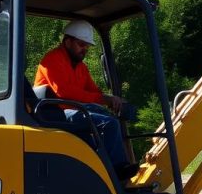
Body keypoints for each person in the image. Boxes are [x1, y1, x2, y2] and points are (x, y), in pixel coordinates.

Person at [34, 20, 136, 177]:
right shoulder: (52, 59)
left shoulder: (81, 68)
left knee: (105, 117)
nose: (85, 49)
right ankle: (117, 170)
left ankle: (103, 169)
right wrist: (102, 99)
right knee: (108, 124)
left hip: (71, 110)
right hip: (53, 114)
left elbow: (93, 92)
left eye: (87, 46)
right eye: (81, 44)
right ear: (68, 42)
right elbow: (64, 92)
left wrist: (111, 100)